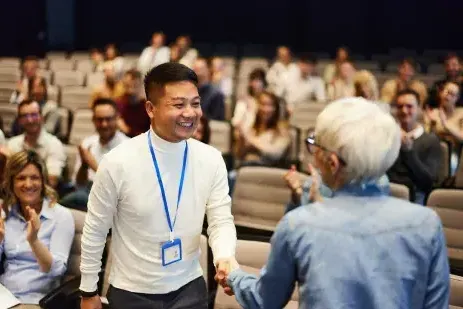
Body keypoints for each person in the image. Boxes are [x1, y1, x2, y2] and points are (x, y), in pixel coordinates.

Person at [220, 97, 449, 309]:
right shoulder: (427, 224)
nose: (312, 154)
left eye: (315, 146)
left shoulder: (299, 224)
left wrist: (234, 275)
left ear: (332, 163)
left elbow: (265, 299)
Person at [79, 62, 237, 309]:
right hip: (131, 292)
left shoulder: (211, 159)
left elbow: (220, 220)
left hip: (190, 288)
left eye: (195, 103)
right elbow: (95, 229)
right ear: (151, 109)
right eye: (178, 105)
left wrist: (224, 255)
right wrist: (88, 290)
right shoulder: (117, 162)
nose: (190, 113)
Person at [0, 150, 75, 306]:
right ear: (11, 183)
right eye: (21, 178)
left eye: (34, 178)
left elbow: (56, 271)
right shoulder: (6, 213)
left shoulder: (61, 216)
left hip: (36, 300)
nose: (28, 184)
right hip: (5, 296)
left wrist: (34, 241)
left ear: (43, 181)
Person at [59, 98, 128, 211]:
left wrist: (93, 165)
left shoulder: (127, 146)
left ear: (117, 119)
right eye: (100, 120)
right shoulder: (88, 143)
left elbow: (120, 187)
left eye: (108, 119)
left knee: (73, 199)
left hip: (113, 198)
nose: (104, 124)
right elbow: (79, 184)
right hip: (87, 190)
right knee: (77, 195)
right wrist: (84, 165)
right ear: (93, 120)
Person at [388, 89, 442, 204]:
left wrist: (408, 151)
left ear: (419, 108)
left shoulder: (431, 140)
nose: (404, 111)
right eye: (400, 106)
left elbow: (428, 182)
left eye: (409, 106)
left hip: (416, 195)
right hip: (388, 192)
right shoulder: (388, 136)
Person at [7, 100, 66, 188]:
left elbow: (52, 182)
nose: (30, 120)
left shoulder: (54, 144)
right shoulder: (12, 144)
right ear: (19, 120)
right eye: (25, 116)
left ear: (41, 117)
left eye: (34, 115)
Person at [116, 69, 151, 137]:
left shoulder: (147, 107)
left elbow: (150, 134)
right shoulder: (117, 104)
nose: (130, 89)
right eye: (127, 85)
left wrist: (127, 130)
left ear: (140, 84)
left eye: (134, 85)